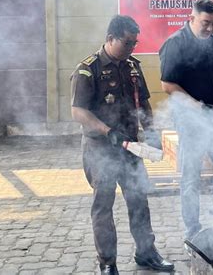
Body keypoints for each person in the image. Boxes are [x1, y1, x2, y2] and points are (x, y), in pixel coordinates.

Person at [71, 15, 174, 274]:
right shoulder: (87, 69)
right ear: (110, 39)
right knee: (103, 207)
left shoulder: (132, 66)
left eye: (134, 43)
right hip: (100, 148)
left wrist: (151, 132)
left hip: (131, 147)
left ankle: (146, 253)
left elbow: (144, 103)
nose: (132, 48)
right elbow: (78, 111)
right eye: (127, 43)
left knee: (139, 200)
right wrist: (107, 131)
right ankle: (107, 263)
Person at [159, 0, 213, 241]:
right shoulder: (175, 44)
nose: (211, 28)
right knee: (191, 175)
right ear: (191, 18)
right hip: (190, 119)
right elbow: (167, 85)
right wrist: (196, 107)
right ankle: (192, 230)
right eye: (206, 23)